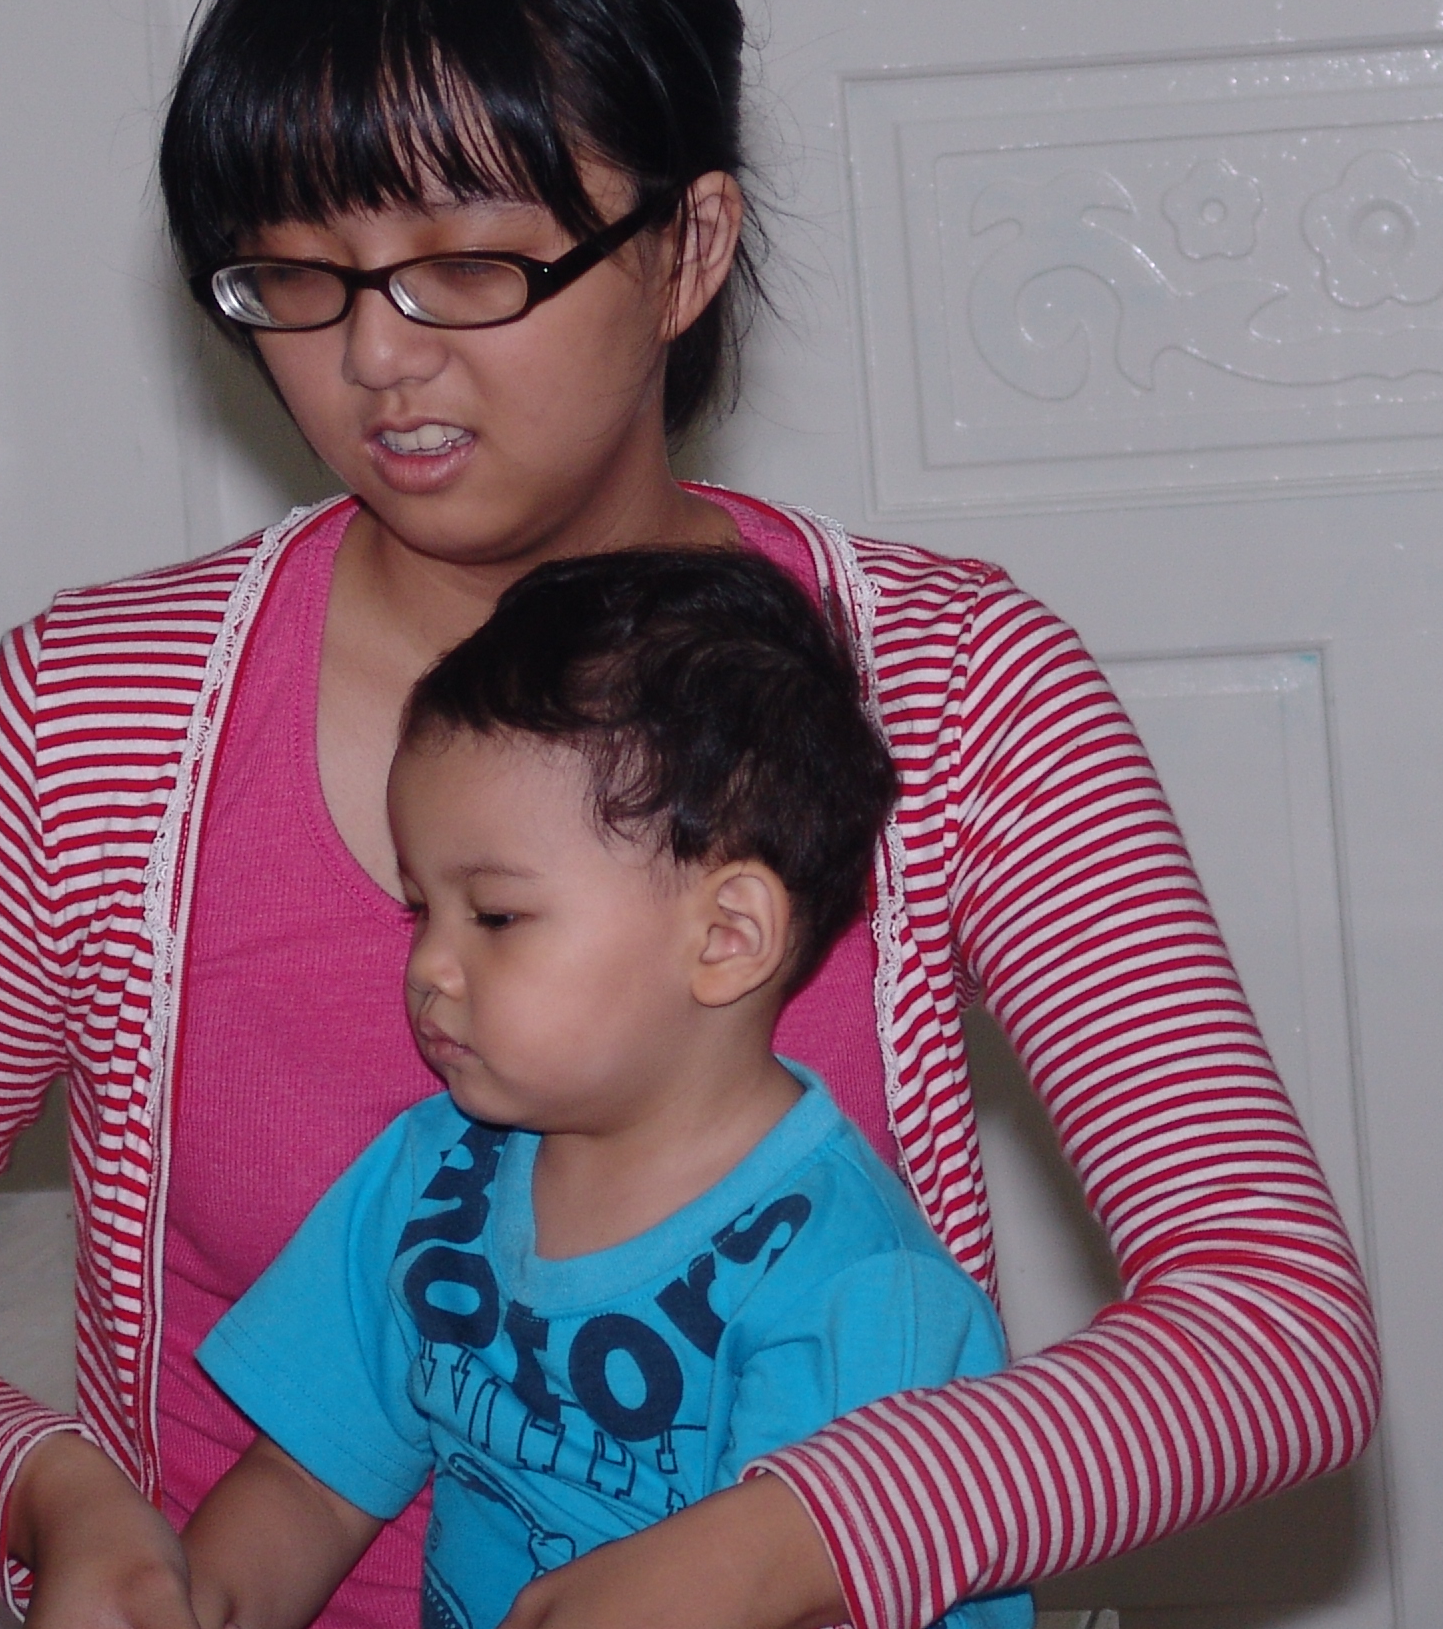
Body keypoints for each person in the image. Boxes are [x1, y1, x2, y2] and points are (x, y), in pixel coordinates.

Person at [0, 0, 1380, 1629]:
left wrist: (780, 1546)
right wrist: (53, 1495)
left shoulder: (953, 687)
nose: (374, 355)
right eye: (296, 273)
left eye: (469, 264)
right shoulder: (91, 727)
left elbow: (1275, 1334)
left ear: (686, 247)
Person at [186, 547, 1025, 1629]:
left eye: (495, 916)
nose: (429, 967)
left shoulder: (856, 1295)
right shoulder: (433, 1177)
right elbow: (306, 1488)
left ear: (726, 938)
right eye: (420, 910)